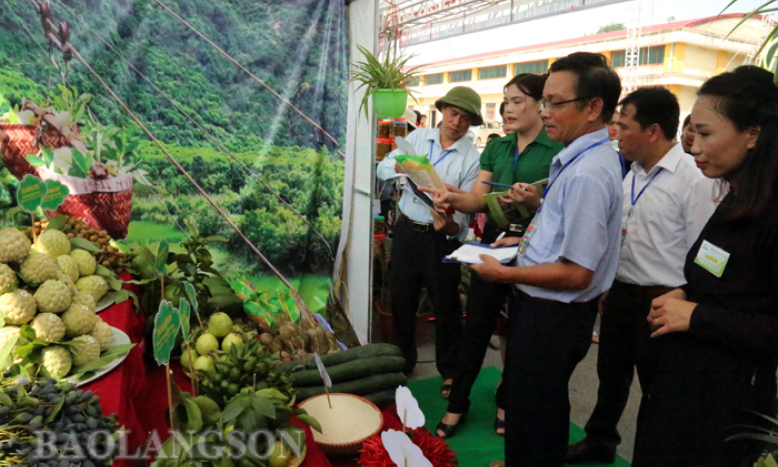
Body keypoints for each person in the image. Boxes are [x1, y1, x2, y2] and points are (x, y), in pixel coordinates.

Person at [475, 52, 623, 467]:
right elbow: (561, 235)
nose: (545, 112)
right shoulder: (577, 160)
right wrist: (518, 249)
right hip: (544, 310)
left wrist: (503, 273)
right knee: (533, 406)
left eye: (555, 103)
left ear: (593, 107)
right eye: (544, 102)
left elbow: (577, 273)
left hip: (552, 315)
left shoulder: (587, 173)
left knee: (536, 409)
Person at [632, 66, 778, 467]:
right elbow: (718, 274)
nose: (693, 146)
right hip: (684, 382)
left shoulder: (770, 212)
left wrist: (698, 316)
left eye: (706, 134)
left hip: (727, 403)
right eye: (692, 133)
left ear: (753, 133)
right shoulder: (734, 195)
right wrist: (685, 293)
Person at [566, 87, 718, 464]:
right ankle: (600, 441)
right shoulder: (628, 172)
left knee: (659, 389)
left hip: (664, 300)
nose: (615, 133)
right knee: (610, 377)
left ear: (652, 131)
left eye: (623, 125)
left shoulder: (692, 179)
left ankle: (653, 454)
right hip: (620, 293)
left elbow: (702, 253)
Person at [424, 74, 563, 440]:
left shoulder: (557, 150)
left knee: (519, 332)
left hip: (533, 249)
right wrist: (451, 198)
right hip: (491, 244)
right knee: (476, 326)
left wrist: (535, 203)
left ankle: (507, 400)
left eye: (518, 101)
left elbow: (561, 210)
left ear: (541, 105)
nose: (508, 109)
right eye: (506, 102)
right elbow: (475, 198)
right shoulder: (498, 148)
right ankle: (458, 402)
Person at [376, 86, 482, 391]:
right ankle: (402, 363)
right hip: (409, 231)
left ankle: (450, 369)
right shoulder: (419, 138)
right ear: (443, 110)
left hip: (442, 239)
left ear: (471, 123)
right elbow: (384, 168)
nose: (456, 121)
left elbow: (466, 213)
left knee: (446, 305)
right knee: (402, 300)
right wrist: (400, 165)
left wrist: (449, 224)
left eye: (464, 118)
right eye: (452, 112)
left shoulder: (471, 158)